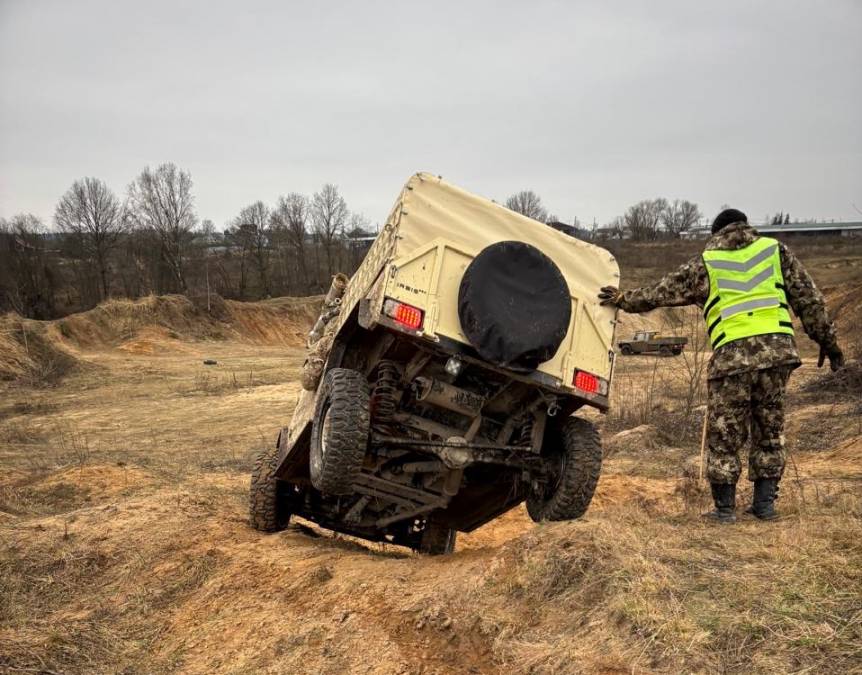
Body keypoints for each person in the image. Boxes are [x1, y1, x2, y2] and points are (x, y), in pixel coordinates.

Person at [598, 208, 844, 523]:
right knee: (770, 429)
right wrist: (829, 343)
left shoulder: (706, 263)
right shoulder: (775, 251)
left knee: (725, 433)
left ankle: (724, 510)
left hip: (732, 358)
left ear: (716, 233)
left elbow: (660, 292)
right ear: (745, 227)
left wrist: (623, 299)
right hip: (777, 355)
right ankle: (765, 506)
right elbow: (810, 300)